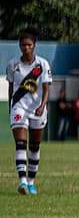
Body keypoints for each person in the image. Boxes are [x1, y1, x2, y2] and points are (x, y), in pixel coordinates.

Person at [6, 28, 52, 195]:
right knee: (21, 143)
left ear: (34, 46)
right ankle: (22, 182)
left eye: (29, 45)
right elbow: (11, 87)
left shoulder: (42, 64)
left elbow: (46, 88)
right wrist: (10, 107)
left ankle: (31, 182)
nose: (26, 48)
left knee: (34, 146)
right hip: (19, 107)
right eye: (23, 45)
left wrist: (42, 106)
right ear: (19, 46)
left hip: (37, 109)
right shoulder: (12, 65)